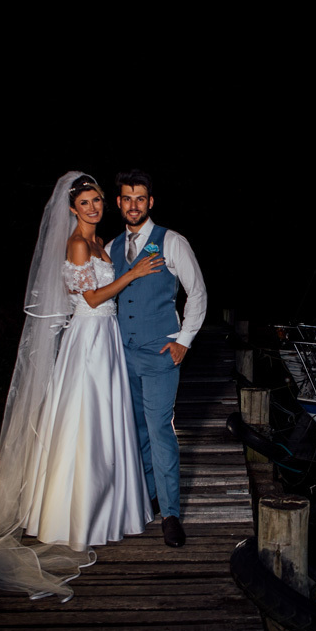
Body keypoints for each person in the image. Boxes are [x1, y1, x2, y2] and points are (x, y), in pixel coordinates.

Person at [0, 171, 161, 601]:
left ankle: (111, 511)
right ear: (72, 209)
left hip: (106, 338)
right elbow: (92, 298)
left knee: (107, 423)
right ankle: (75, 516)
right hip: (88, 339)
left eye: (97, 201)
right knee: (85, 421)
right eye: (85, 203)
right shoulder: (77, 243)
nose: (94, 208)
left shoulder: (99, 241)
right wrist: (133, 275)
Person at [106, 169, 207, 548]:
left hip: (160, 351)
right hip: (123, 353)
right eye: (127, 198)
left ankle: (170, 514)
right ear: (119, 203)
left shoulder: (171, 241)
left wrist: (184, 341)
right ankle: (149, 495)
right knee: (136, 430)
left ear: (150, 202)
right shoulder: (112, 247)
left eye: (140, 198)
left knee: (161, 429)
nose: (133, 205)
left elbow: (197, 292)